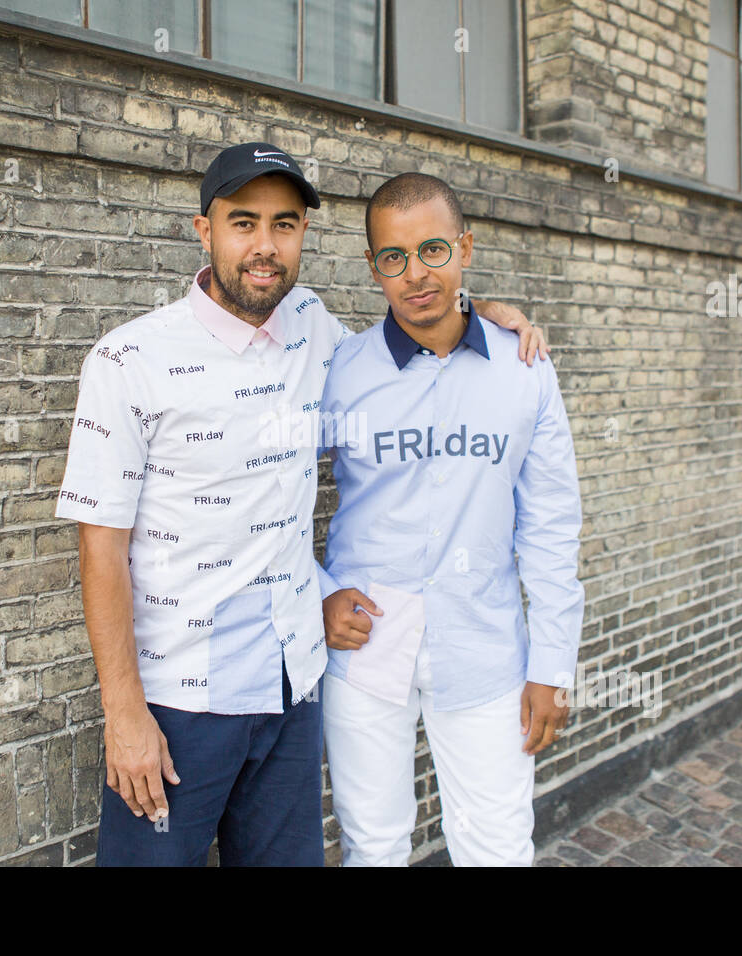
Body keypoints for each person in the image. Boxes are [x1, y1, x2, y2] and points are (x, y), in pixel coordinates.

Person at [54, 143, 549, 866]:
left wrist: (474, 313)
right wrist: (124, 712)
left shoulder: (316, 330)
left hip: (294, 689)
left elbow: (398, 367)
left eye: (284, 225)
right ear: (205, 230)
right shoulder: (130, 361)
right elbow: (100, 547)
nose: (265, 246)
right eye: (243, 222)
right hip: (179, 701)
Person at [317, 172, 585, 866]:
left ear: (465, 247)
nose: (416, 274)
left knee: (496, 846)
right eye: (393, 258)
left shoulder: (525, 370)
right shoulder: (339, 371)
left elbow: (552, 524)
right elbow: (269, 498)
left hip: (484, 646)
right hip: (366, 644)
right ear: (374, 267)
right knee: (372, 847)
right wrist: (315, 590)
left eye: (433, 249)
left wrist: (553, 661)